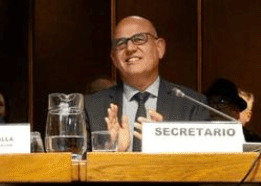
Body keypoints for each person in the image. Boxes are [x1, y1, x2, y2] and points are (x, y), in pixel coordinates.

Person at [84, 16, 209, 151]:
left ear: (159, 48)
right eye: (121, 43)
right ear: (114, 58)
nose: (130, 48)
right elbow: (78, 166)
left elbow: (205, 165)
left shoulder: (193, 105)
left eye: (139, 39)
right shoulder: (91, 107)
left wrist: (169, 147)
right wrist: (112, 151)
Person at [204, 78, 261, 144]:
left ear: (235, 110)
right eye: (210, 102)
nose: (214, 106)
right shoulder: (199, 135)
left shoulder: (253, 141)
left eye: (222, 102)